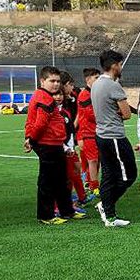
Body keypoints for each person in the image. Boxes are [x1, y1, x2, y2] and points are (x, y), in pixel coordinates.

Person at [24, 66, 80, 225]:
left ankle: (67, 211)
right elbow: (40, 123)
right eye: (52, 81)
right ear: (42, 81)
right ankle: (46, 215)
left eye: (58, 81)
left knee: (61, 179)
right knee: (48, 181)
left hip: (55, 143)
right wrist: (32, 140)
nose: (56, 84)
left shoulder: (44, 96)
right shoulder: (44, 98)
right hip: (47, 144)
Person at [91, 50, 136, 227]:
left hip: (101, 135)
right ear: (114, 65)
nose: (121, 67)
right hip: (114, 136)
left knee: (109, 175)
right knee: (128, 175)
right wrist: (120, 112)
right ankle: (106, 205)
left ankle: (109, 216)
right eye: (120, 64)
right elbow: (126, 114)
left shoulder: (96, 84)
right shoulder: (113, 86)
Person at [58, 71, 86, 208]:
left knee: (75, 169)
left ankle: (77, 199)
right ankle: (61, 205)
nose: (72, 87)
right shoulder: (59, 108)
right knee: (65, 176)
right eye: (70, 84)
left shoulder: (70, 101)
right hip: (63, 147)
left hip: (69, 144)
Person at [76, 68, 101, 201]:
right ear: (88, 79)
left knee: (98, 160)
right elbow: (90, 115)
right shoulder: (84, 95)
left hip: (98, 131)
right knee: (92, 160)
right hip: (88, 133)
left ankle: (92, 183)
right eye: (96, 77)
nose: (98, 80)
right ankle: (93, 185)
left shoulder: (96, 92)